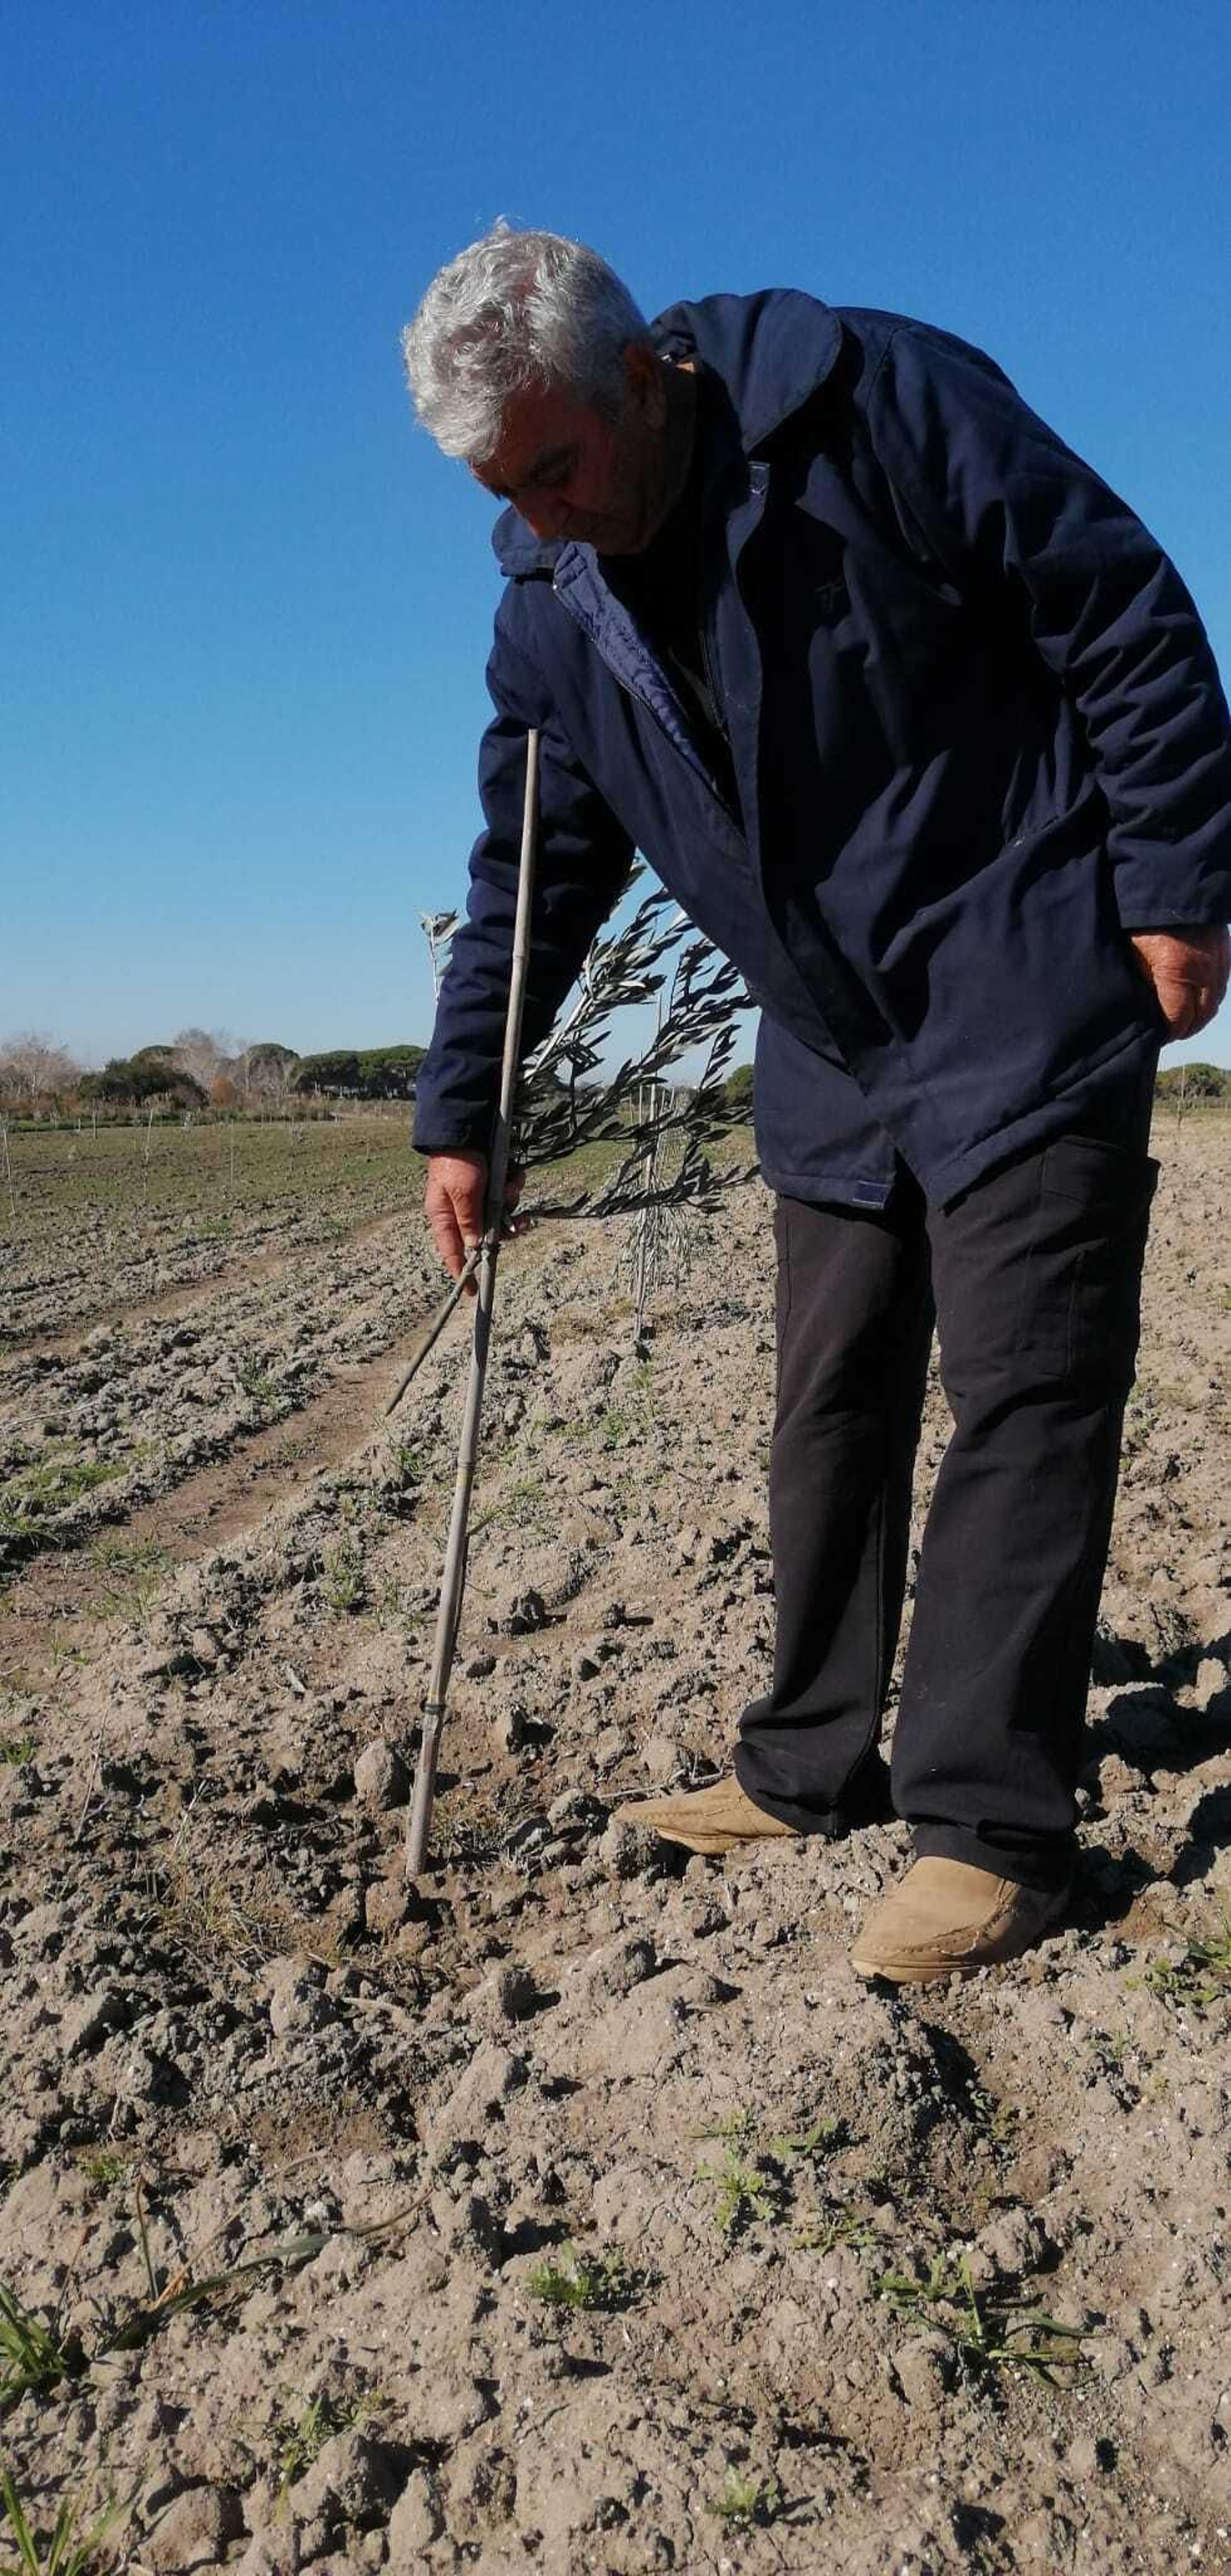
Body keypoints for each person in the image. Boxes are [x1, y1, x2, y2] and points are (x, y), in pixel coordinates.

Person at [401, 224, 1231, 1984]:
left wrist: (1172, 880)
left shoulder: (874, 401)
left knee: (1023, 1395)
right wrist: (465, 1108)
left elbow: (1117, 609)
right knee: (828, 1403)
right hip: (826, 1041)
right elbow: (530, 878)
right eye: (503, 494)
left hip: (1015, 962)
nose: (542, 516)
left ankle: (988, 1827)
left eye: (556, 467)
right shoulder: (551, 607)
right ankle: (804, 1763)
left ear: (644, 376)